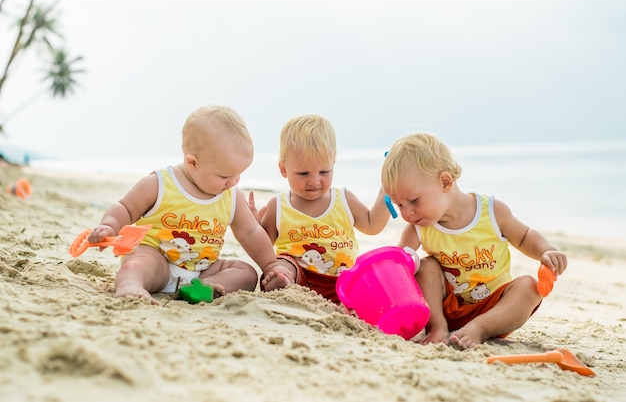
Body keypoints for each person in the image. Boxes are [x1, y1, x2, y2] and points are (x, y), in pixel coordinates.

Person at [381, 132, 568, 349]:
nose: (407, 213)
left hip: (495, 309)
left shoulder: (492, 211)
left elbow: (524, 236)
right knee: (426, 266)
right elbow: (397, 269)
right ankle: (437, 327)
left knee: (530, 287)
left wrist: (545, 250)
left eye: (413, 201)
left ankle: (480, 328)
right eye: (399, 205)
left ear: (445, 182)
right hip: (447, 308)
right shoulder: (418, 229)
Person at [87, 105, 286, 304]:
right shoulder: (160, 183)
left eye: (238, 174)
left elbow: (250, 232)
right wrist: (110, 225)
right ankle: (130, 285)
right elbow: (126, 208)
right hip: (158, 261)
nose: (234, 182)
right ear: (192, 163)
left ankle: (202, 288)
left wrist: (270, 266)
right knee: (138, 263)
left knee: (246, 273)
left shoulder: (231, 196)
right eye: (225, 176)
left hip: (203, 269)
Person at [248, 114, 390, 304]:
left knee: (368, 277)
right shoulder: (279, 205)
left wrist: (386, 190)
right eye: (303, 173)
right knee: (281, 263)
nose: (314, 181)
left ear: (333, 163)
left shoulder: (344, 199)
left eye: (324, 172)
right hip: (298, 277)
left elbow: (373, 225)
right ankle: (281, 282)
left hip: (340, 280)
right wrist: (254, 225)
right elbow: (263, 245)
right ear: (283, 169)